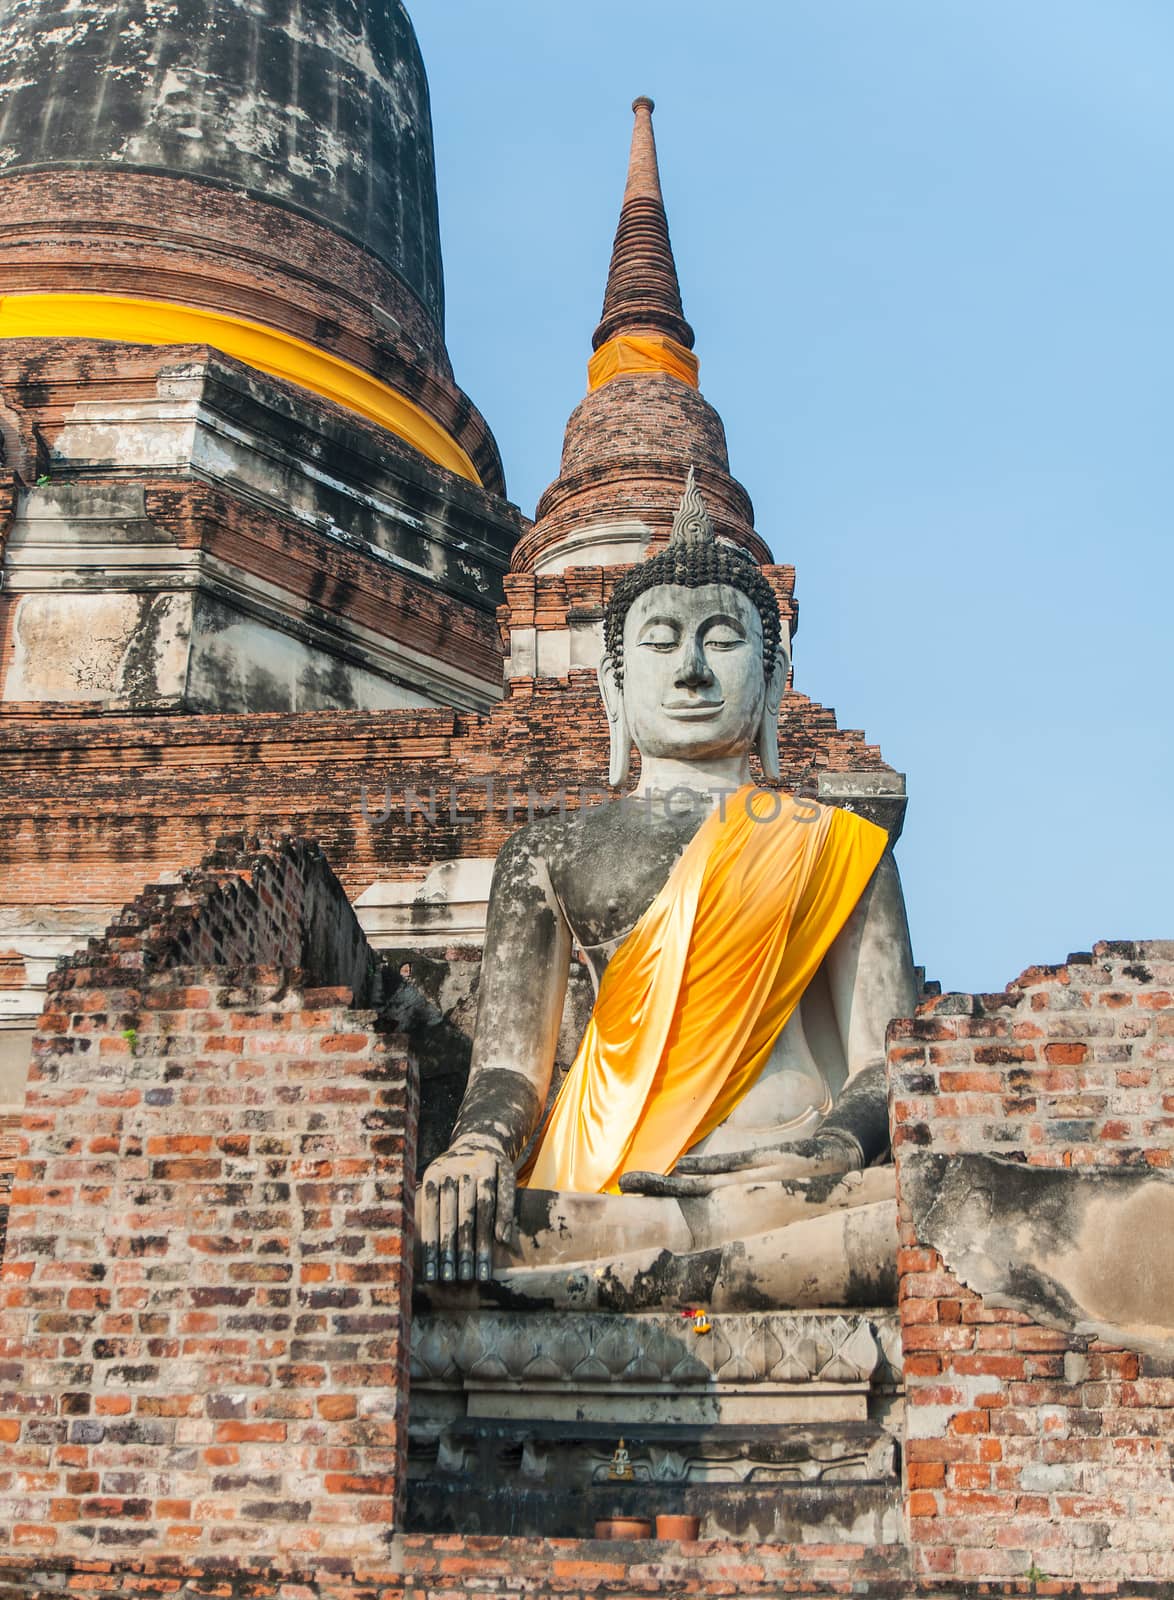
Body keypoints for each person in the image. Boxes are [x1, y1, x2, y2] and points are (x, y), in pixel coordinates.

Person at [418, 471, 917, 1310]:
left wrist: (831, 1150)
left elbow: (886, 1066)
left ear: (770, 679)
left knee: (918, 1218)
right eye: (659, 643)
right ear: (614, 687)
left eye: (721, 640)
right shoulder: (548, 850)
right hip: (603, 1186)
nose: (690, 671)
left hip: (790, 1181)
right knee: (451, 1242)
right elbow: (509, 1070)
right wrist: (477, 1150)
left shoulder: (838, 844)